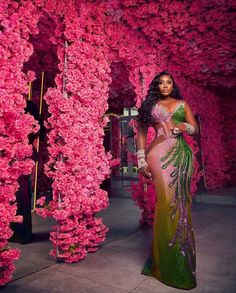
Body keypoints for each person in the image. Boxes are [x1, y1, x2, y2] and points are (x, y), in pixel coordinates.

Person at [137, 71, 199, 290]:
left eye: (169, 82)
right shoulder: (149, 106)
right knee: (165, 204)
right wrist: (141, 161)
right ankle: (162, 262)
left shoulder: (182, 104)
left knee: (180, 205)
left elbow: (195, 129)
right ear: (157, 86)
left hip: (182, 155)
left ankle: (179, 261)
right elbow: (142, 134)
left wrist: (181, 127)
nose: (165, 86)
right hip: (158, 155)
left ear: (173, 85)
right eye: (161, 83)